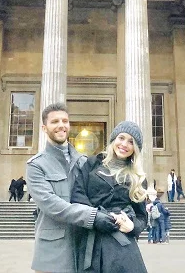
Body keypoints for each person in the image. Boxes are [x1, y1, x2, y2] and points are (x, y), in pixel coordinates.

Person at [26, 102, 117, 273]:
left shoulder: (84, 161)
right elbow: (52, 205)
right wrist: (93, 216)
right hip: (53, 252)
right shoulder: (36, 165)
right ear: (44, 128)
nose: (61, 125)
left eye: (65, 121)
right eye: (55, 122)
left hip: (84, 246)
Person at [71, 120, 149, 272]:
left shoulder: (137, 178)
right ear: (113, 139)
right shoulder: (92, 164)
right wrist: (95, 217)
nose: (125, 144)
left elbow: (142, 217)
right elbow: (78, 195)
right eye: (121, 138)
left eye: (131, 142)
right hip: (90, 240)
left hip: (120, 247)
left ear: (136, 148)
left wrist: (132, 226)